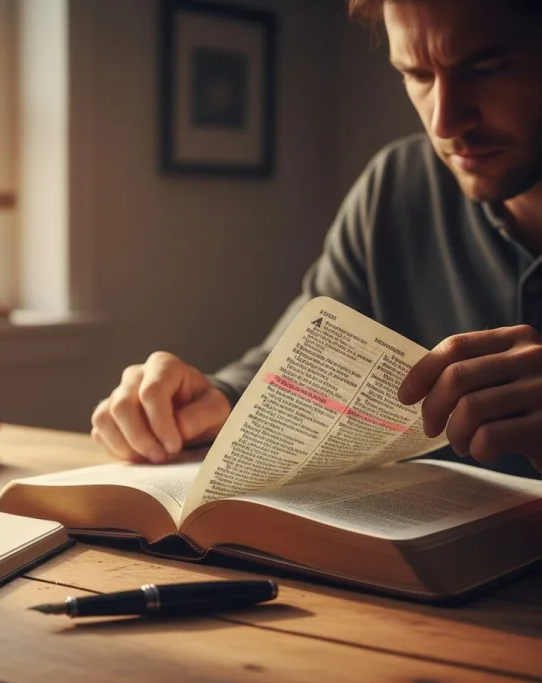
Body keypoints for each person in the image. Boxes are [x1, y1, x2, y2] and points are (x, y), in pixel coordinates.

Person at [91, 0, 542, 478]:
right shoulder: (396, 185)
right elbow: (300, 358)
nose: (444, 123)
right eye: (418, 76)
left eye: (487, 68)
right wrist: (210, 400)